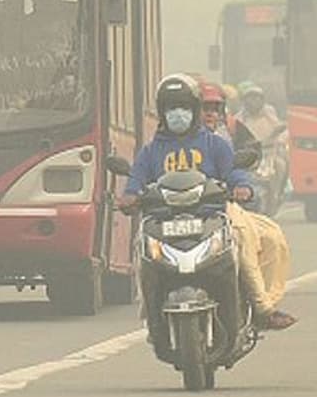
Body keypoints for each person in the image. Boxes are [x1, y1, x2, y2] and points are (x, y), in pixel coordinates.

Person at [120, 74, 296, 330]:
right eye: (171, 108)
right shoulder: (151, 151)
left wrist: (242, 187)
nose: (178, 114)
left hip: (213, 214)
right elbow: (135, 180)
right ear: (162, 112)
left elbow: (233, 171)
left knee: (260, 237)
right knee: (143, 248)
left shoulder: (215, 144)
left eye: (183, 108)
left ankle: (262, 307)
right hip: (165, 218)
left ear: (193, 110)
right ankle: (151, 315)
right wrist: (130, 197)